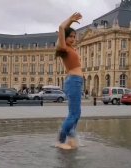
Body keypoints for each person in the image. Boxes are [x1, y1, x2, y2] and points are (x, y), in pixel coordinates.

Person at [55, 12, 83, 150]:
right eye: (70, 36)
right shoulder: (63, 47)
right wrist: (70, 21)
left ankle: (71, 136)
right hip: (73, 81)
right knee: (74, 114)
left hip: (77, 81)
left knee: (76, 114)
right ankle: (60, 140)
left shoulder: (71, 48)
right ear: (64, 38)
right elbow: (61, 27)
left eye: (74, 36)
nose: (72, 39)